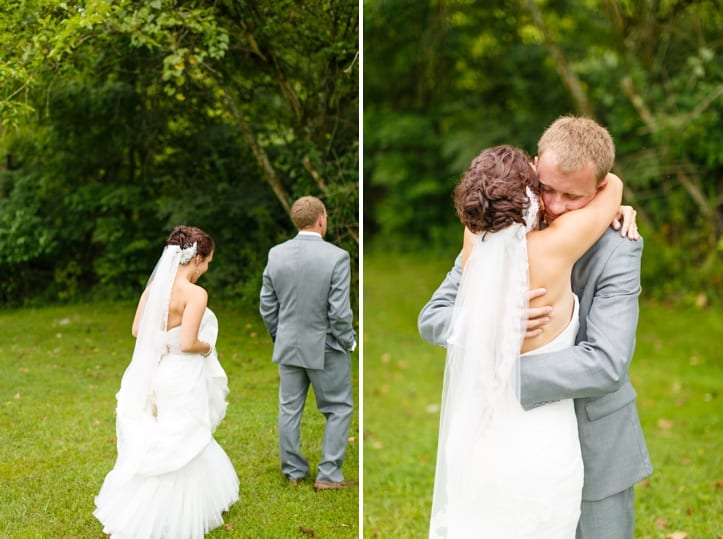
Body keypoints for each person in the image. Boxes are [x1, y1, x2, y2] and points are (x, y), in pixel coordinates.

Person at [419, 117, 652, 539]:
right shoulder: (496, 233)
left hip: (595, 439)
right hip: (504, 446)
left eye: (573, 195)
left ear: (599, 190)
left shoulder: (619, 246)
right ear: (532, 167)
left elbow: (606, 363)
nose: (556, 205)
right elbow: (433, 316)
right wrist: (487, 323)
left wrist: (499, 375)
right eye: (547, 188)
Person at [94, 226, 239, 538]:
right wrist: (208, 347)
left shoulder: (155, 289)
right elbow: (189, 343)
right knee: (185, 435)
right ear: (196, 258)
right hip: (183, 373)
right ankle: (169, 511)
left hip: (159, 371)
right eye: (208, 262)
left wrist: (162, 342)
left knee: (169, 434)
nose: (207, 269)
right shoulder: (196, 294)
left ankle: (178, 500)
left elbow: (137, 330)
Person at [259, 196, 357, 491]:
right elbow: (339, 312)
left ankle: (294, 471)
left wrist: (280, 334)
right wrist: (347, 341)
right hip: (326, 346)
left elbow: (267, 304)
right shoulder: (336, 257)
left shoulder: (276, 254)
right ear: (321, 220)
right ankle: (328, 475)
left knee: (289, 409)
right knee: (338, 408)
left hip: (288, 344)